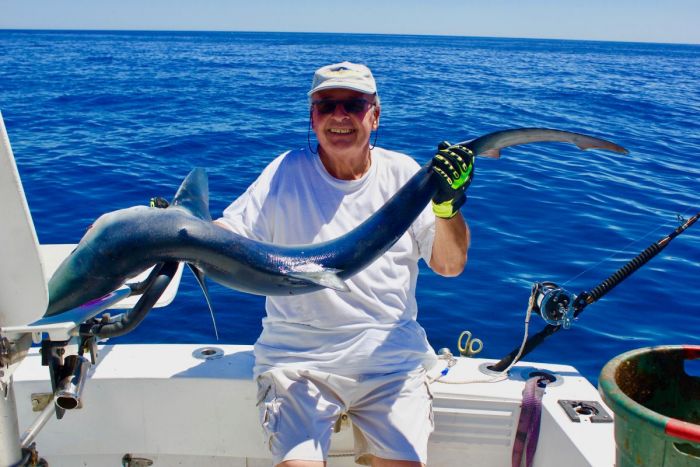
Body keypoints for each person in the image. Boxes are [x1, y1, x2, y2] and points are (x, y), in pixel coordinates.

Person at [215, 61, 473, 467]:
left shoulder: (406, 174)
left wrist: (446, 208)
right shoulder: (284, 173)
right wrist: (178, 230)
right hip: (299, 362)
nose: (339, 115)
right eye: (326, 104)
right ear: (312, 117)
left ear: (375, 114)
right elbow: (227, 234)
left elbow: (450, 265)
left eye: (353, 104)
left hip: (392, 362)